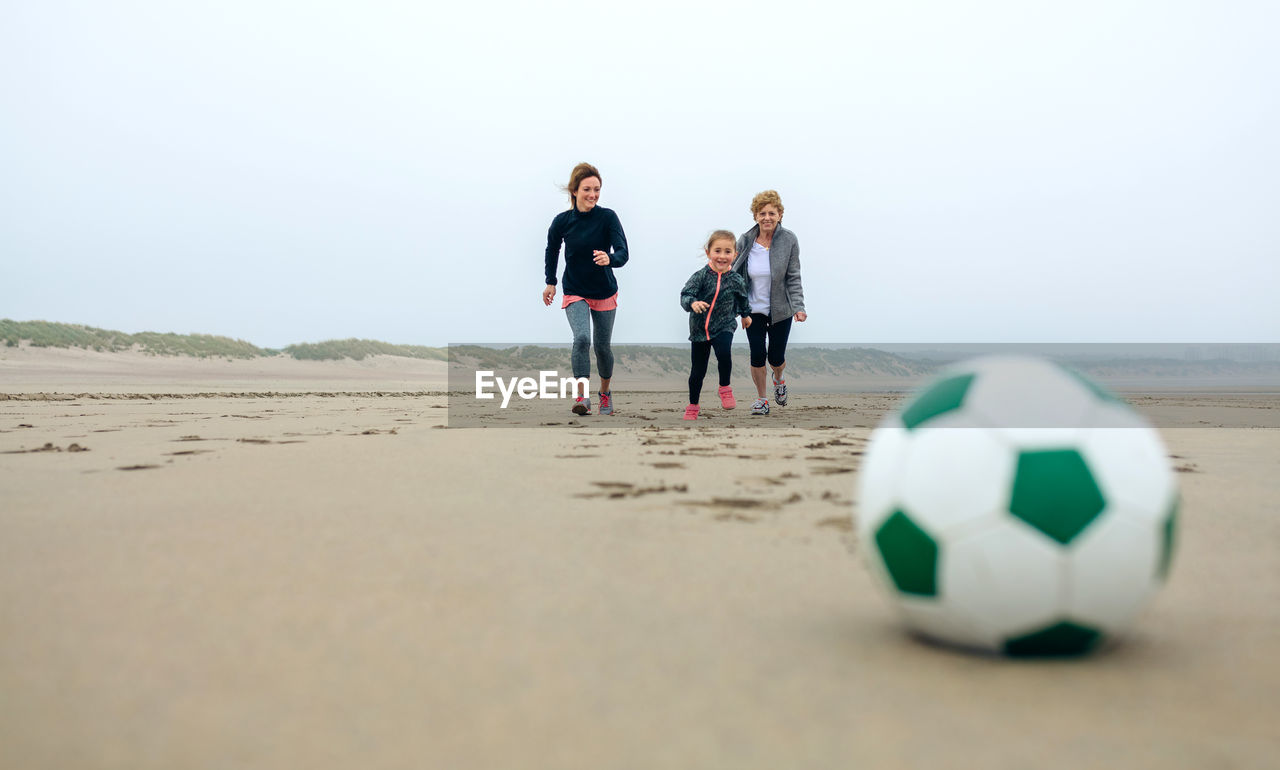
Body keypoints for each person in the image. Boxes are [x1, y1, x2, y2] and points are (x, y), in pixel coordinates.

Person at [542, 162, 629, 415]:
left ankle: (604, 393)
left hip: (604, 290)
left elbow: (623, 251)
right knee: (581, 339)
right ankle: (582, 397)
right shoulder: (562, 221)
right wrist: (550, 282)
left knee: (602, 347)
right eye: (587, 189)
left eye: (597, 189)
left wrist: (610, 259)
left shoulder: (608, 217)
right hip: (575, 288)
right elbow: (552, 250)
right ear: (574, 191)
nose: (593, 195)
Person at [732, 190, 806, 415]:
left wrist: (799, 306)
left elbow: (793, 276)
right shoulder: (745, 240)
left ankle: (779, 378)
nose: (767, 217)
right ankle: (762, 400)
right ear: (755, 216)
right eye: (762, 213)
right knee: (756, 354)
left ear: (780, 215)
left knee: (775, 357)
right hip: (752, 309)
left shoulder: (789, 240)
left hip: (781, 309)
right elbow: (733, 273)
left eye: (771, 213)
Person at [679, 230, 752, 421]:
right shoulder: (700, 276)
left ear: (734, 255)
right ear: (708, 252)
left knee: (724, 354)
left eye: (727, 252)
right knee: (698, 371)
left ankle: (725, 387)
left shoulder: (736, 280)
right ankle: (693, 405)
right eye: (717, 250)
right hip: (699, 330)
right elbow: (686, 294)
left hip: (724, 325)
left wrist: (745, 315)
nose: (722, 256)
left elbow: (743, 299)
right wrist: (692, 303)